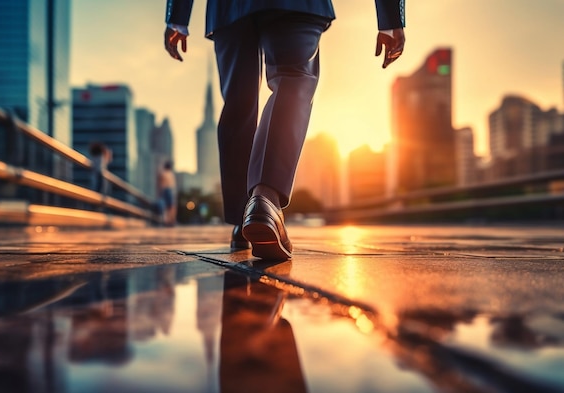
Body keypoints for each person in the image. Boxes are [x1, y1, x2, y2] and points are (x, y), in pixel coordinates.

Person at [164, 1, 405, 260]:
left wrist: (177, 16)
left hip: (229, 8)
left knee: (238, 101)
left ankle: (242, 220)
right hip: (296, 5)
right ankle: (264, 200)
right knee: (293, 77)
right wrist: (391, 16)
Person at [157, 159, 177, 226]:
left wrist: (160, 193)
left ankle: (166, 220)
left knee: (165, 207)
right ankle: (171, 220)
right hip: (170, 190)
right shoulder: (171, 174)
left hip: (165, 190)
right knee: (171, 206)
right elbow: (173, 185)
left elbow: (160, 184)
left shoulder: (163, 173)